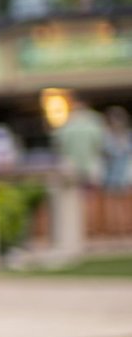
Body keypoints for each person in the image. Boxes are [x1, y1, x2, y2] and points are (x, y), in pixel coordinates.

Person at [53, 91, 108, 234]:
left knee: (79, 198)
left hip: (77, 166)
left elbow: (59, 145)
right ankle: (93, 228)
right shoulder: (95, 121)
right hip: (88, 165)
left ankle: (86, 228)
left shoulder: (69, 122)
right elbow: (101, 144)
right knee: (89, 197)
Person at [103, 106, 131, 237]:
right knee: (112, 204)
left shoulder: (128, 135)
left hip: (126, 174)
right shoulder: (107, 136)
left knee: (126, 203)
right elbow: (106, 153)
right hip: (111, 175)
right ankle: (114, 229)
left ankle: (126, 228)